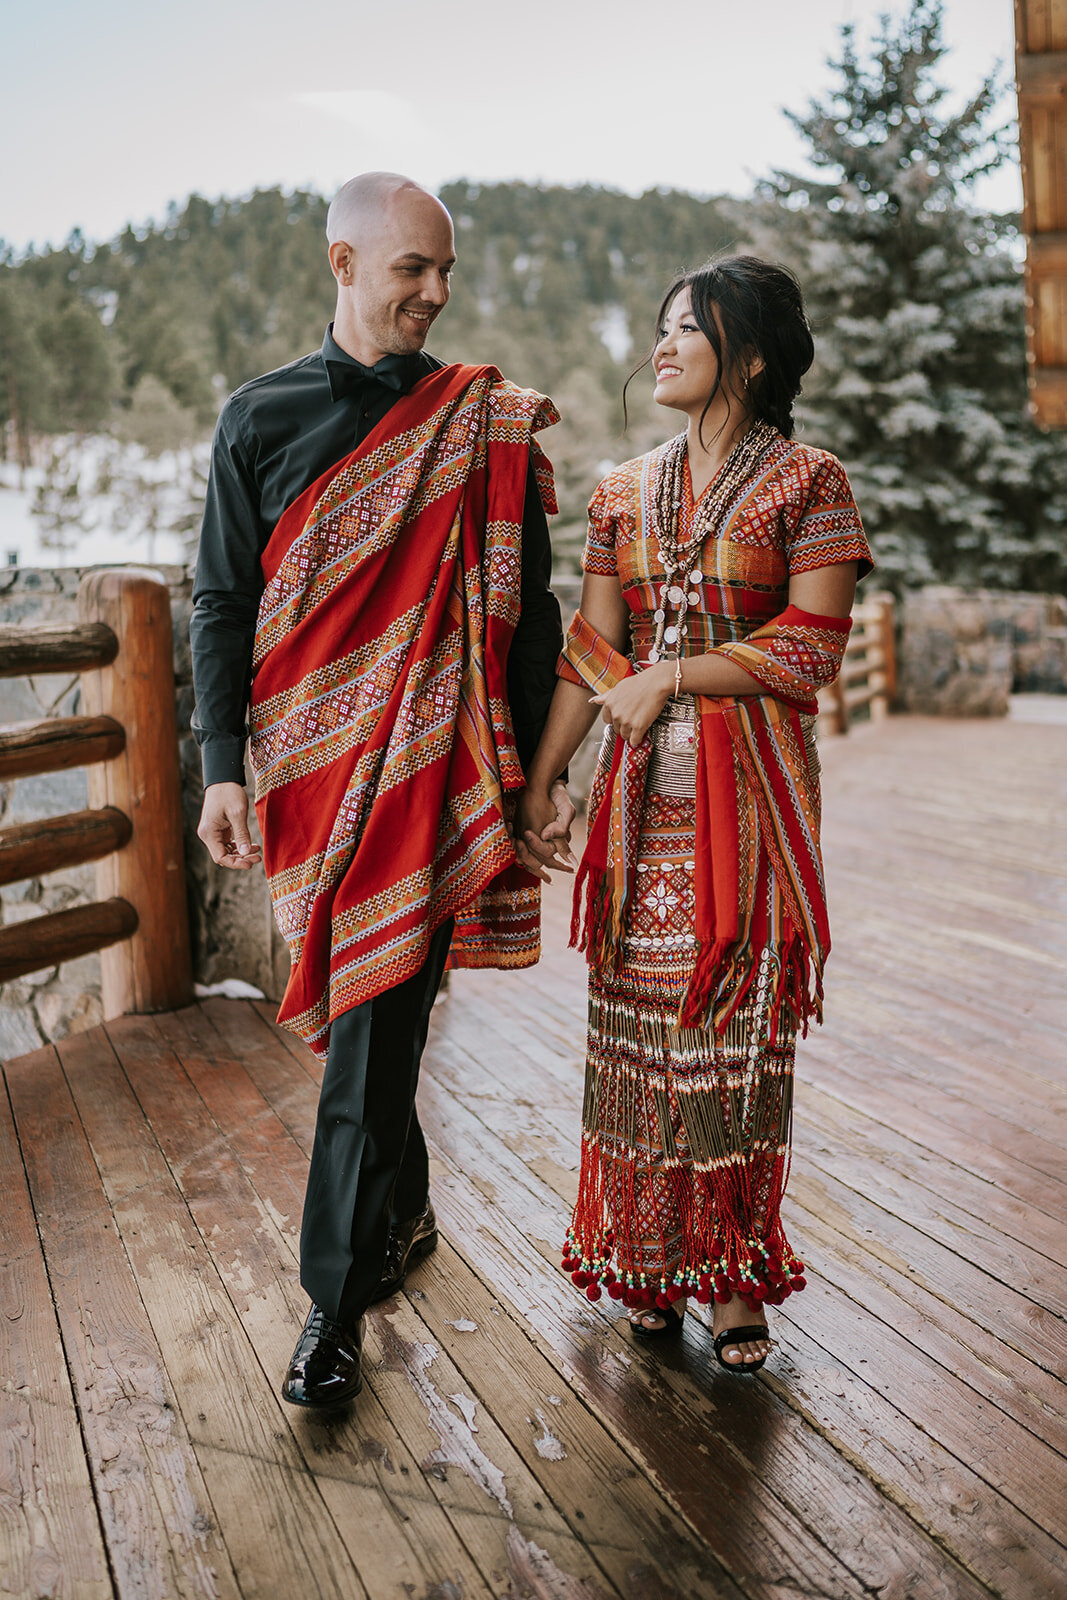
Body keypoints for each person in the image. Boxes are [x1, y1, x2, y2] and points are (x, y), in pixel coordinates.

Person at [190, 172, 572, 1408]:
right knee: (372, 1017)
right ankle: (400, 1216)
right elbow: (221, 604)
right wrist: (221, 768)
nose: (435, 294)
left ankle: (328, 1309)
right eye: (413, 268)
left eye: (446, 272)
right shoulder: (258, 419)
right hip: (306, 781)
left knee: (372, 1025)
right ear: (342, 263)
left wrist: (527, 779)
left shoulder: (484, 424)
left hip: (433, 771)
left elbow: (528, 618)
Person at [516, 256, 873, 1373]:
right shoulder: (622, 488)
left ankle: (727, 1272)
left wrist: (673, 678)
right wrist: (544, 777)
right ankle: (645, 1255)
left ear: (752, 354)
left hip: (751, 801)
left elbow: (808, 644)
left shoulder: (808, 482)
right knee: (636, 1036)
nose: (660, 346)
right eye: (660, 327)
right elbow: (593, 648)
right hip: (637, 811)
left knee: (730, 1030)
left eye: (688, 328)